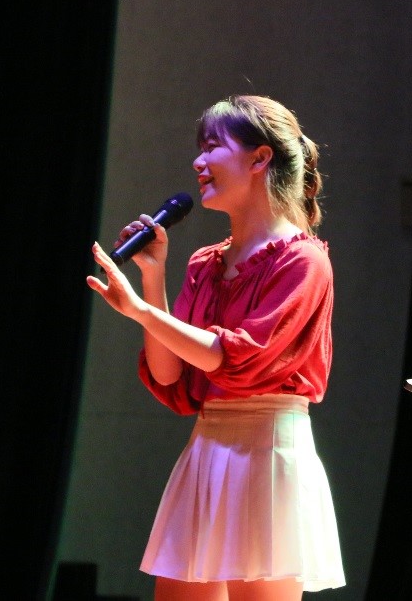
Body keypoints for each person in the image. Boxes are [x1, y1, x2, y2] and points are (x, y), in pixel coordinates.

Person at [87, 94, 345, 601]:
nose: (198, 161)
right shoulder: (205, 264)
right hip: (208, 448)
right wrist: (153, 278)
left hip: (268, 453)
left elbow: (234, 358)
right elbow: (170, 375)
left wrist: (141, 312)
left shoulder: (303, 261)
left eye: (211, 147)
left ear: (260, 158)